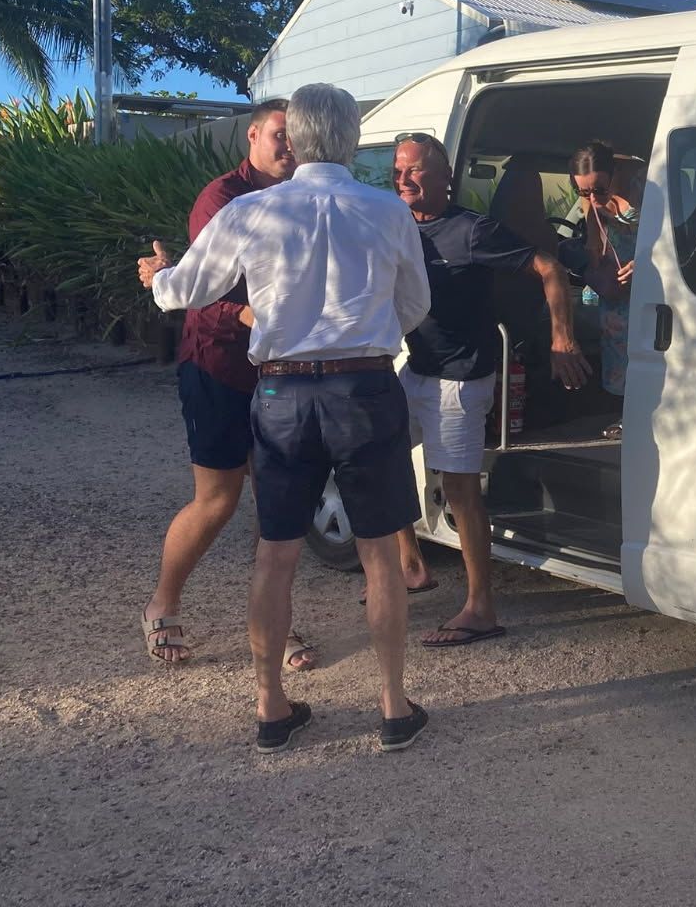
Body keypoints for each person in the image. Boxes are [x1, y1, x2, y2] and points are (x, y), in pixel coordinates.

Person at [139, 83, 433, 754]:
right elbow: (413, 306)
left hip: (281, 395)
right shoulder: (387, 212)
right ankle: (392, 706)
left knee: (276, 554)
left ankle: (272, 708)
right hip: (363, 389)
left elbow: (184, 291)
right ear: (352, 140)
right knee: (381, 554)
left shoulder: (255, 211)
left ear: (293, 139)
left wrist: (159, 273)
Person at [139, 99, 322, 673]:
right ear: (252, 136)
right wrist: (257, 318)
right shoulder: (222, 198)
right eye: (278, 135)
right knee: (218, 501)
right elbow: (207, 289)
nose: (287, 147)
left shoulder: (306, 201)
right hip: (218, 367)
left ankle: (276, 626)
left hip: (279, 372)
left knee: (277, 504)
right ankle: (160, 604)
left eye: (296, 138)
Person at [391, 134, 592, 647]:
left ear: (445, 179)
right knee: (376, 457)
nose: (404, 178)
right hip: (416, 369)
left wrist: (562, 338)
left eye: (415, 170)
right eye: (398, 170)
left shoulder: (471, 230)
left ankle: (481, 607)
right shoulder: (392, 225)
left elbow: (548, 267)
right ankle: (411, 565)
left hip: (461, 378)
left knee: (460, 491)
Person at [565, 141, 642, 438]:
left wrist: (646, 263)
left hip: (644, 267)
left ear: (614, 172)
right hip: (616, 273)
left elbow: (669, 233)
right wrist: (594, 248)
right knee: (617, 340)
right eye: (584, 192)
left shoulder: (642, 183)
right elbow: (593, 219)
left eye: (599, 189)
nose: (593, 198)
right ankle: (622, 414)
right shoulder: (590, 196)